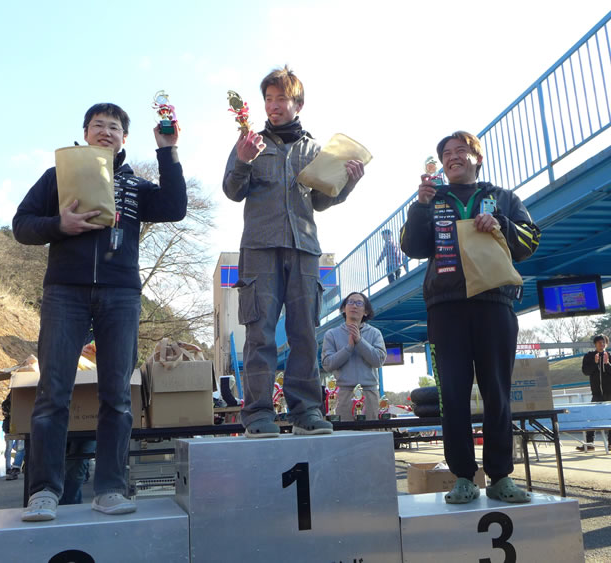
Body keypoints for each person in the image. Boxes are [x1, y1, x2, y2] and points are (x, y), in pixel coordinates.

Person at [13, 103, 186, 521]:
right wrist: (59, 225)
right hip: (64, 292)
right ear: (85, 133)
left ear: (125, 138)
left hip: (120, 293)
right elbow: (21, 225)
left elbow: (175, 206)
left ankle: (109, 488)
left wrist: (168, 150)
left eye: (114, 127)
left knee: (117, 396)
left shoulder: (135, 185)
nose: (106, 131)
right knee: (53, 393)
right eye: (98, 125)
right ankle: (44, 491)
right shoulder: (57, 176)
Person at [223, 66, 365, 439]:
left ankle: (307, 412)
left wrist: (347, 184)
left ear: (297, 104)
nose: (273, 105)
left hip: (304, 249)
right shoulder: (249, 143)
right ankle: (258, 414)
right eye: (268, 99)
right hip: (260, 249)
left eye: (281, 99)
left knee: (304, 333)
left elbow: (320, 201)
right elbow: (232, 191)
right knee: (260, 334)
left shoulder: (316, 151)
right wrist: (243, 160)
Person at [400, 131, 540, 504]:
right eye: (446, 153)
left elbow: (530, 241)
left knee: (498, 392)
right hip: (445, 307)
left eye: (461, 150)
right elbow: (411, 247)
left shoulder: (503, 197)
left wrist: (501, 225)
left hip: (495, 303)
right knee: (452, 394)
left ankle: (500, 477)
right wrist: (420, 207)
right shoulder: (432, 199)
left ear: (477, 158)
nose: (452, 157)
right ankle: (463, 476)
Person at [321, 292, 386, 421]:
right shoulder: (331, 334)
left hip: (369, 394)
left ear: (366, 311)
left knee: (370, 432)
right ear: (344, 309)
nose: (354, 306)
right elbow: (327, 364)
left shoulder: (375, 334)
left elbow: (378, 360)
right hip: (342, 395)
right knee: (344, 433)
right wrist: (348, 348)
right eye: (350, 302)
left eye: (359, 303)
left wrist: (360, 341)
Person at [579, 334, 611, 451]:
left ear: (606, 344)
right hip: (596, 393)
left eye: (603, 342)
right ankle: (589, 443)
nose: (601, 344)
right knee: (592, 417)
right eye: (599, 342)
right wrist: (595, 363)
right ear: (595, 344)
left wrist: (607, 364)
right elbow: (585, 371)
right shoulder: (589, 356)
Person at [0, 392, 24, 480]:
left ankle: (10, 468)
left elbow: (5, 413)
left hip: (12, 426)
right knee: (17, 448)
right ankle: (12, 467)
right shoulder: (18, 403)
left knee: (11, 448)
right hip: (14, 426)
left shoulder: (6, 403)